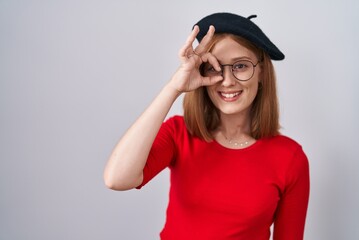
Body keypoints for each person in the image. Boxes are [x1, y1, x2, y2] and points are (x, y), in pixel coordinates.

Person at [104, 12, 310, 240]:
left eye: (240, 66)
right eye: (214, 67)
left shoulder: (290, 158)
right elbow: (117, 178)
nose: (228, 80)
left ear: (261, 71)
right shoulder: (179, 133)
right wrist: (174, 87)